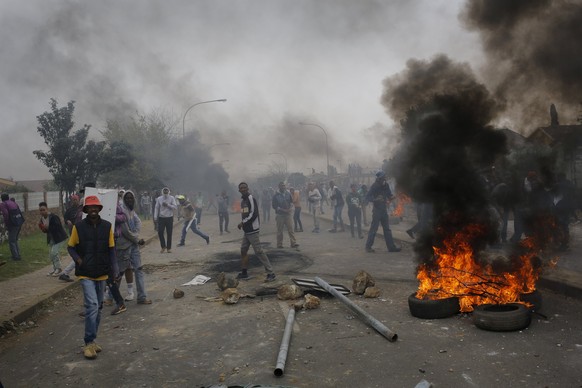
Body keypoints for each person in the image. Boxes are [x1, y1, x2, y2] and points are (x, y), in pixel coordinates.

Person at [67, 195, 119, 359]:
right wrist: (79, 260)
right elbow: (70, 248)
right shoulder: (79, 227)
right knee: (92, 305)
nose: (93, 209)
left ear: (99, 209)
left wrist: (115, 268)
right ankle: (88, 343)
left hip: (102, 273)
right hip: (85, 273)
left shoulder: (107, 226)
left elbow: (111, 250)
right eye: (90, 207)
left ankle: (93, 340)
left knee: (99, 308)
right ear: (86, 210)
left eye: (95, 206)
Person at [117, 191, 152, 306]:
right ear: (123, 199)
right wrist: (137, 239)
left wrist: (136, 235)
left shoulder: (132, 211)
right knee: (119, 272)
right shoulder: (121, 211)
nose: (129, 200)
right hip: (123, 246)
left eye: (131, 198)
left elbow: (138, 222)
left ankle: (142, 297)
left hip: (133, 245)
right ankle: (111, 296)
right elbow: (125, 231)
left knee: (138, 269)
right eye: (127, 198)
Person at [236, 182, 276, 282]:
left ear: (247, 188)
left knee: (259, 251)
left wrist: (243, 223)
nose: (243, 189)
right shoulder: (243, 201)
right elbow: (245, 214)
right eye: (241, 188)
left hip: (253, 230)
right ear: (239, 190)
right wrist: (244, 224)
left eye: (245, 187)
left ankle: (271, 273)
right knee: (243, 250)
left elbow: (254, 214)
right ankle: (244, 272)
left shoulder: (251, 198)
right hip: (247, 231)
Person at [365, 171, 401, 253]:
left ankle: (391, 247)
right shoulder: (374, 186)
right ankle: (368, 247)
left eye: (384, 177)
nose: (384, 178)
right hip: (377, 210)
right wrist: (375, 200)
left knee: (387, 229)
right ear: (379, 178)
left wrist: (393, 197)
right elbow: (367, 197)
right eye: (383, 177)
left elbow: (389, 195)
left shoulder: (386, 185)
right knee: (374, 228)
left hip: (384, 210)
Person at [38, 202, 69, 276]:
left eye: (43, 210)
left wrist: (47, 227)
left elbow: (58, 227)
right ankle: (55, 268)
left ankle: (59, 269)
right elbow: (46, 231)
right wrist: (43, 229)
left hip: (59, 237)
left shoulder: (53, 217)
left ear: (47, 209)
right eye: (40, 210)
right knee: (51, 254)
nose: (42, 211)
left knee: (54, 252)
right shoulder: (42, 219)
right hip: (51, 238)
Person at [272, 181, 299, 248]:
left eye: (284, 185)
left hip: (288, 214)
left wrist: (290, 208)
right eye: (281, 186)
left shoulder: (288, 193)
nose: (283, 187)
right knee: (280, 231)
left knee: (291, 229)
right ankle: (279, 244)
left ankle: (293, 243)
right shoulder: (276, 195)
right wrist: (282, 209)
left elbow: (291, 202)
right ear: (279, 187)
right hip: (280, 215)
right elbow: (274, 206)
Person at [0, 193, 24, 261]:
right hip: (19, 222)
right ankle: (18, 255)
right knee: (15, 240)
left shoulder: (3, 204)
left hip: (12, 224)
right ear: (8, 197)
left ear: (2, 198)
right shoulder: (13, 202)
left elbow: (6, 213)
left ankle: (15, 257)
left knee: (11, 241)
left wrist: (7, 223)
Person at [154, 187, 177, 253]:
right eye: (164, 191)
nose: (166, 192)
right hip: (161, 218)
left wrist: (167, 205)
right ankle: (163, 246)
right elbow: (156, 208)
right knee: (160, 232)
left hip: (169, 217)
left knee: (169, 233)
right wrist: (155, 217)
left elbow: (175, 207)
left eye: (167, 191)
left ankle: (169, 248)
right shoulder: (159, 199)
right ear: (162, 192)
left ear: (169, 191)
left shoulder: (172, 198)